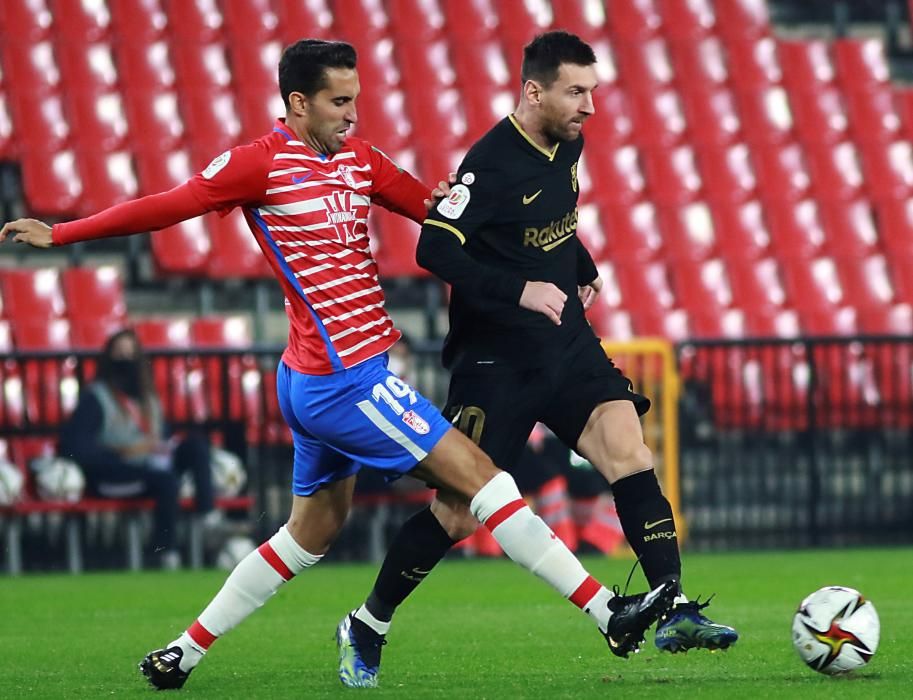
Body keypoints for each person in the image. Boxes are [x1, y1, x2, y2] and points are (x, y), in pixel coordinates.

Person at [1, 39, 674, 691]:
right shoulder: (257, 165)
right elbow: (167, 205)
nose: (352, 115)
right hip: (344, 381)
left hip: (310, 379)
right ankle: (604, 610)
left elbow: (441, 220)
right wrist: (61, 233)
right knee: (482, 479)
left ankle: (183, 652)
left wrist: (505, 231)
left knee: (311, 532)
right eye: (338, 102)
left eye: (355, 100)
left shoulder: (359, 159)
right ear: (298, 103)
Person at [338, 30, 738, 685]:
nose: (588, 106)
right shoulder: (490, 164)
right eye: (575, 92)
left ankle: (671, 608)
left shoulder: (567, 142)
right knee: (457, 513)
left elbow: (559, 215)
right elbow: (434, 249)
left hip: (567, 345)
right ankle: (367, 623)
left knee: (627, 448)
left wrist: (580, 263)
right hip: (495, 362)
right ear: (533, 91)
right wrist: (520, 288)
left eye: (592, 91)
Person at [59, 328, 216, 570]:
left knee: (195, 445)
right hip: (114, 473)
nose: (126, 360)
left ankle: (209, 516)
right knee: (166, 481)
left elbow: (163, 435)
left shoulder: (149, 398)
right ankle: (165, 552)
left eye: (131, 353)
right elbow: (77, 447)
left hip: (151, 464)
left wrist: (161, 445)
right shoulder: (96, 398)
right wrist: (123, 451)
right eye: (119, 353)